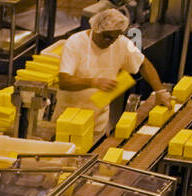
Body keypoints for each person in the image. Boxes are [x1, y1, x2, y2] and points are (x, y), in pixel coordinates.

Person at [58, 8, 171, 140]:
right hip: (67, 124)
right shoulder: (75, 43)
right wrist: (93, 82)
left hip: (98, 125)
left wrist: (160, 92)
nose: (110, 41)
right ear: (96, 28)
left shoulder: (121, 43)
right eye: (106, 36)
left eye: (114, 37)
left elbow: (143, 64)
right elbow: (64, 81)